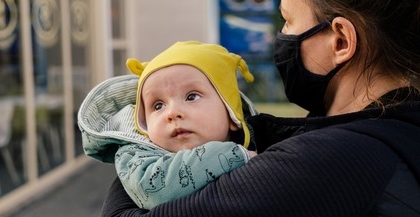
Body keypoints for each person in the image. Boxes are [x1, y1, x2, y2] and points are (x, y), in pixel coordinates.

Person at [99, 0, 420, 216]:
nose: (281, 36)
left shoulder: (335, 159)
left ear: (340, 42)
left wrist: (136, 149)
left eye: (288, 21)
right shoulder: (380, 127)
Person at [78, 41, 258, 210]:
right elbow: (153, 189)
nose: (172, 113)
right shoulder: (135, 156)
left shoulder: (266, 143)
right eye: (158, 106)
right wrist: (233, 155)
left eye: (191, 97)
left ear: (231, 115)